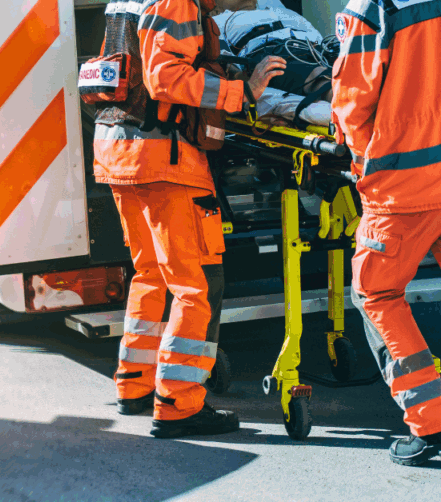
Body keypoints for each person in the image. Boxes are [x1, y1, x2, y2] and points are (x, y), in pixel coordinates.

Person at [92, 0, 285, 438]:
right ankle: (178, 404)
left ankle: (134, 385)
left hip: (122, 151)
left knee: (150, 275)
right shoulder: (178, 3)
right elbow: (163, 77)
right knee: (194, 284)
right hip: (166, 158)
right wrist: (243, 91)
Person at [332, 0, 441, 466]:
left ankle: (429, 419)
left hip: (404, 182)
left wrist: (363, 164)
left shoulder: (376, 6)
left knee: (375, 291)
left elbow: (352, 101)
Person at [213, 0, 335, 102]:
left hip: (317, 47)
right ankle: (344, 97)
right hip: (271, 51)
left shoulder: (283, 11)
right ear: (216, 6)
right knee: (316, 75)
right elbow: (221, 60)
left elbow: (318, 37)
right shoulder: (218, 21)